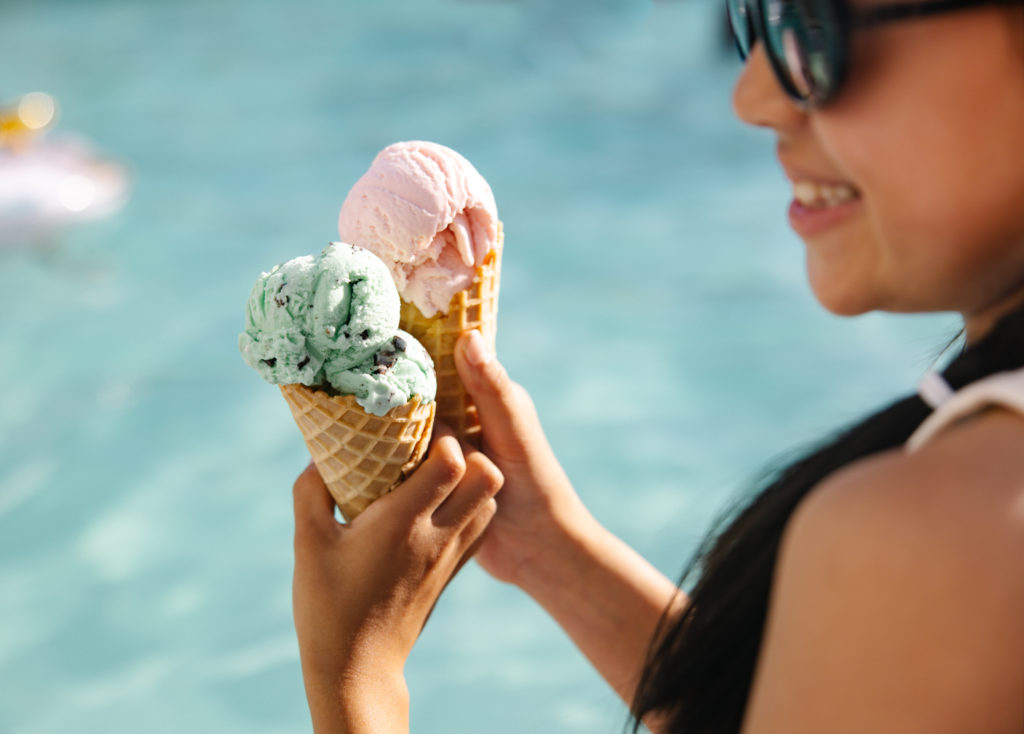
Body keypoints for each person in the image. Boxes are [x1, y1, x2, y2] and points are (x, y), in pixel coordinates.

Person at [290, 3, 1024, 732]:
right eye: (754, 19)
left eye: (814, 26)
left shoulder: (949, 532)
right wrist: (546, 546)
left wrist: (354, 679)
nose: (753, 96)